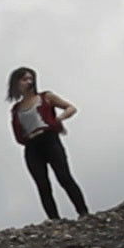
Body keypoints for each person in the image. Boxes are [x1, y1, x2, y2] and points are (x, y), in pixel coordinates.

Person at [7, 66, 89, 221]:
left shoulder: (45, 97)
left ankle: (83, 212)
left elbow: (71, 107)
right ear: (16, 83)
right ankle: (54, 219)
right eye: (25, 79)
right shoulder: (16, 109)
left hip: (49, 139)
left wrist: (59, 119)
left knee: (64, 177)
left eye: (31, 79)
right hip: (32, 145)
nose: (29, 82)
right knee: (42, 185)